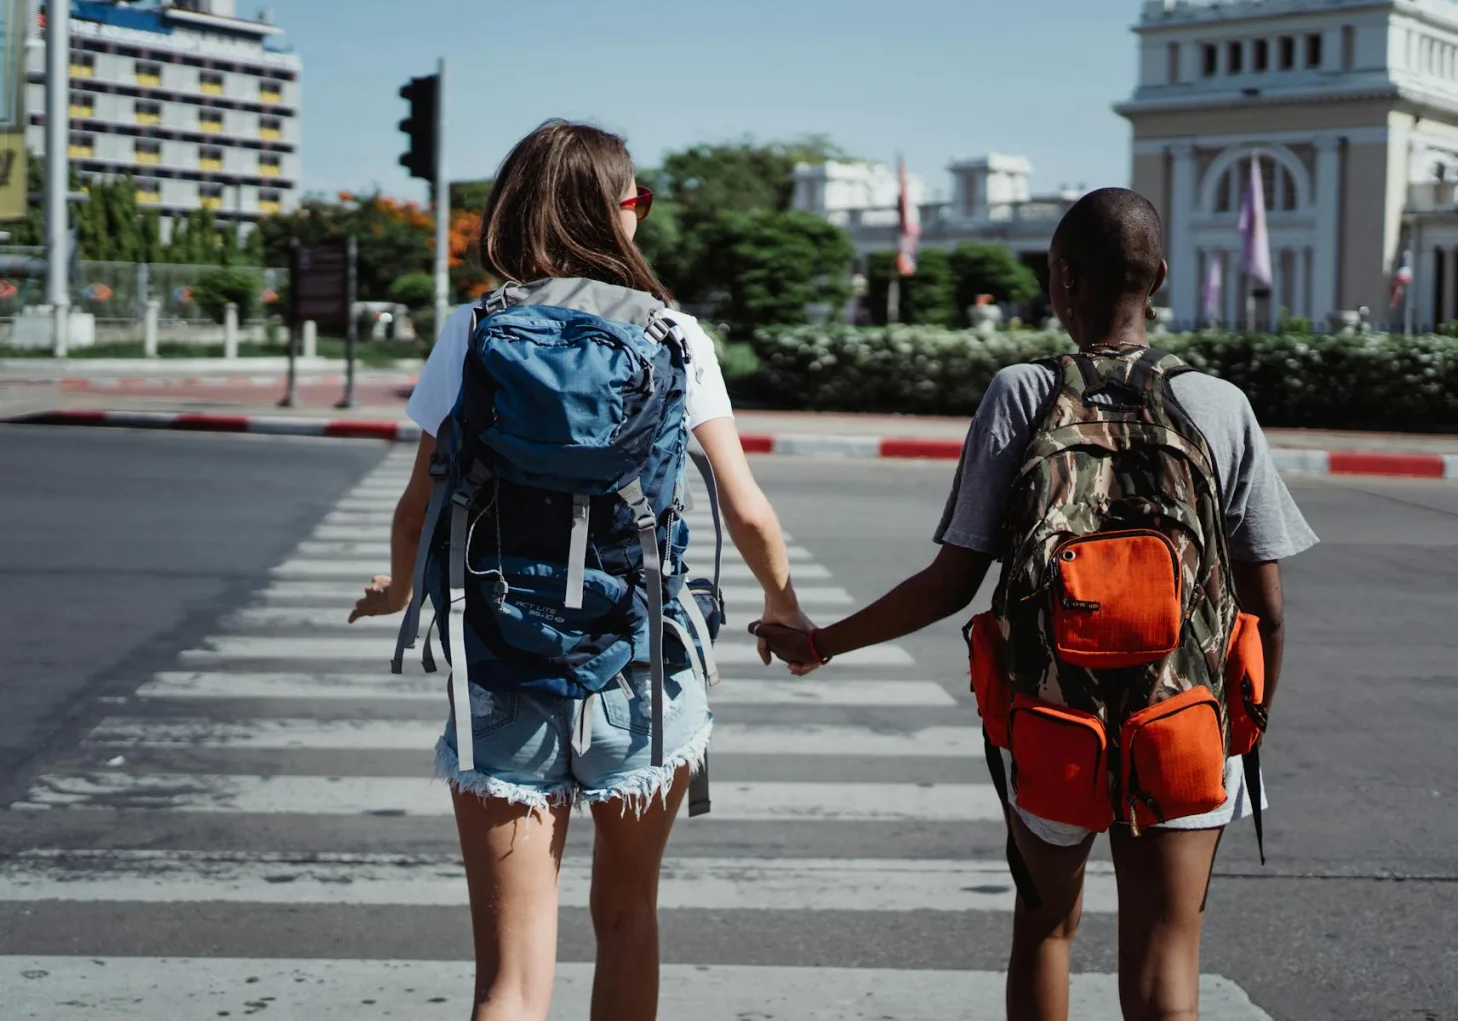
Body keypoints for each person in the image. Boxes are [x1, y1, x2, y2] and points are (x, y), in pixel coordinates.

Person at [755, 188, 1316, 1021]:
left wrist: (823, 642)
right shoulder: (1220, 405)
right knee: (1168, 945)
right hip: (1185, 722)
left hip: (1054, 724)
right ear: (1159, 277)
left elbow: (952, 581)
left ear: (1061, 279)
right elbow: (1266, 606)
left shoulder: (1023, 394)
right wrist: (1244, 725)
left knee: (1046, 928)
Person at [349, 119, 809, 1021]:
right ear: (617, 211)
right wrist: (786, 612)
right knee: (628, 916)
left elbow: (420, 502)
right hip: (640, 666)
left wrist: (399, 587)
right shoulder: (675, 335)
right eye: (635, 200)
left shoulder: (475, 325)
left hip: (506, 665)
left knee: (510, 982)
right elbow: (748, 509)